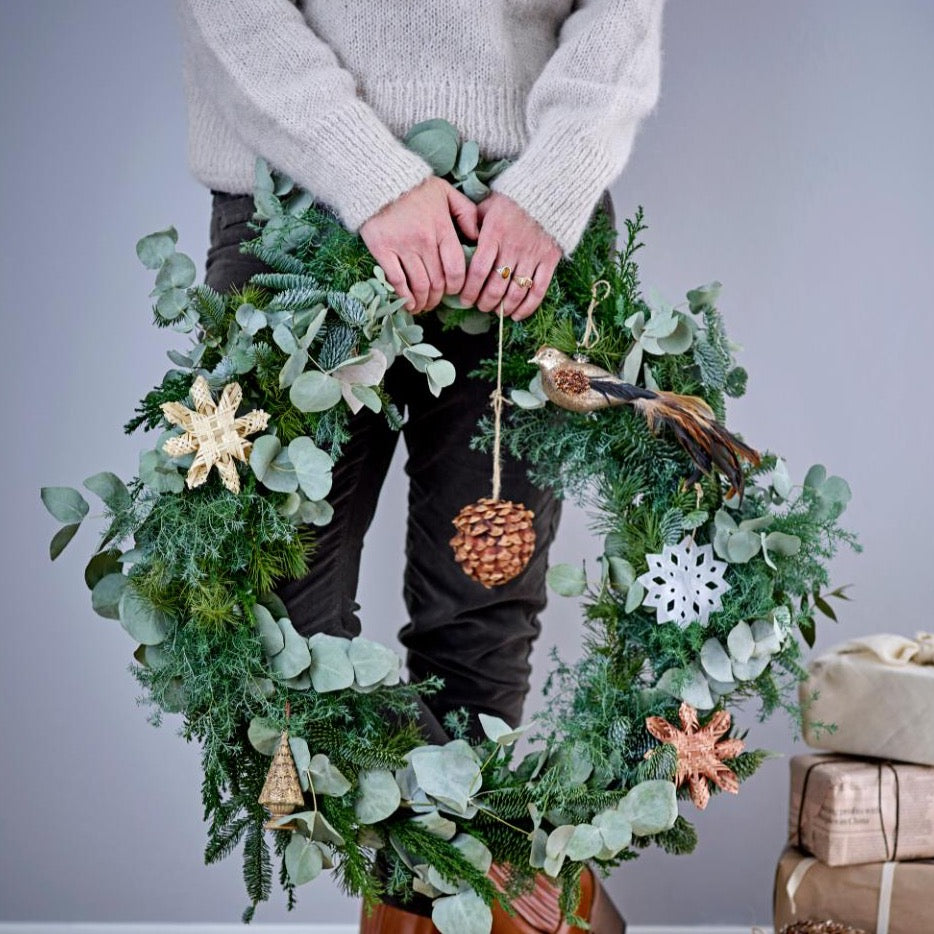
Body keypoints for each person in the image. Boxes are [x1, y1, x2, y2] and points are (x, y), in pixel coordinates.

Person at [176, 1, 664, 930]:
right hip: (296, 217)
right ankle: (495, 877)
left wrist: (552, 185)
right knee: (270, 616)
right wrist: (371, 175)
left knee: (483, 605)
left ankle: (434, 910)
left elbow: (621, 12)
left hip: (521, 225)